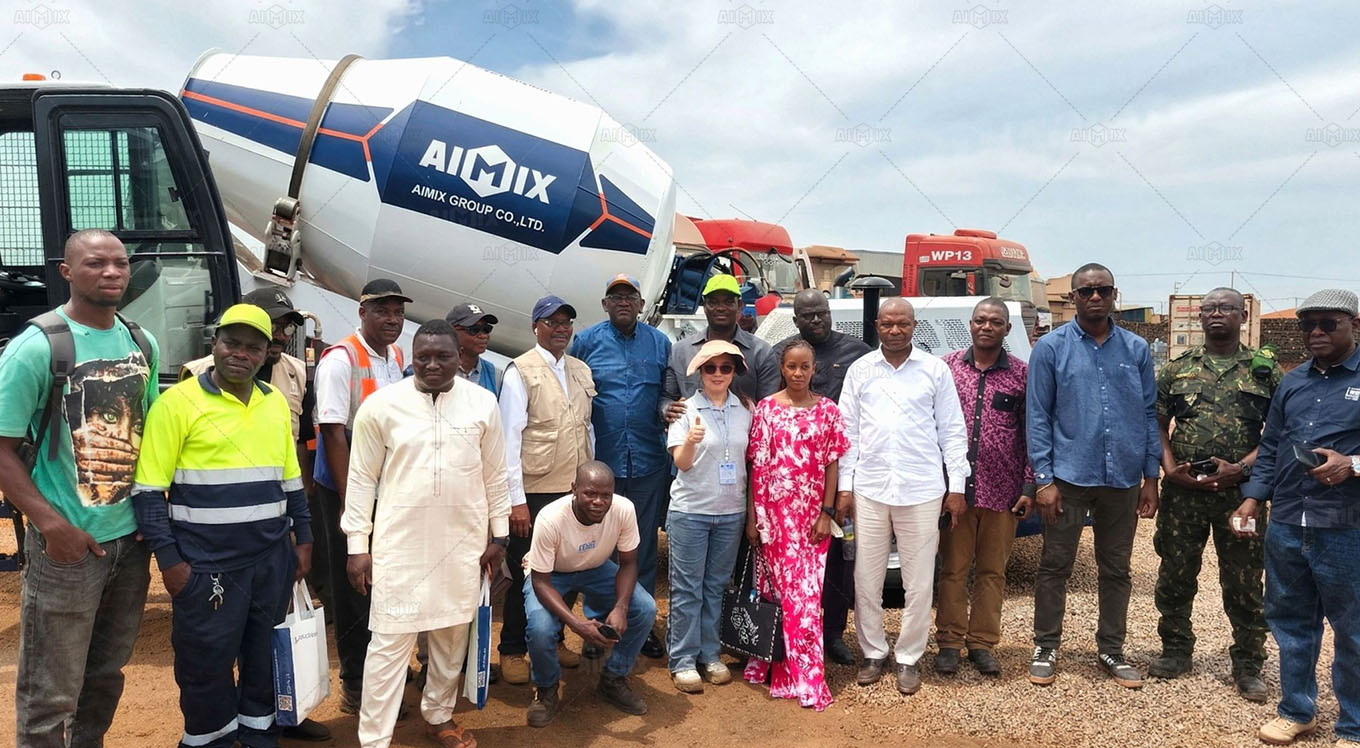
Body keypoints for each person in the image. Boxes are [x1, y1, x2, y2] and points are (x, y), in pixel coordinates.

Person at [0, 229, 159, 748]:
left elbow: (150, 436)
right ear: (67, 272)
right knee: (49, 691)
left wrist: (150, 519)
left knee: (104, 677)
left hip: (130, 544)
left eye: (120, 263)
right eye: (95, 263)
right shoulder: (36, 347)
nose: (111, 272)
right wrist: (53, 527)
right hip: (67, 550)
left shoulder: (142, 343)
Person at [132, 303, 312, 748]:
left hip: (270, 559)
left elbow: (290, 479)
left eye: (253, 347)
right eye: (232, 343)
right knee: (205, 663)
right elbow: (148, 491)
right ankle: (208, 741)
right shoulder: (177, 403)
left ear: (267, 354)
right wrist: (170, 562)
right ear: (214, 343)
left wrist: (304, 539)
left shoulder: (273, 403)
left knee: (263, 657)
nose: (240, 354)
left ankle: (258, 737)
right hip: (206, 565)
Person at [343, 320, 510, 748]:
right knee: (389, 644)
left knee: (452, 637)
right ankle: (374, 739)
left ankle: (438, 715)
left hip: (463, 544)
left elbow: (496, 474)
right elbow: (360, 480)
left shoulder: (482, 403)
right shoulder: (381, 406)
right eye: (423, 357)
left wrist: (500, 536)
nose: (432, 365)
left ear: (459, 357)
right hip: (400, 546)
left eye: (443, 357)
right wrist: (357, 546)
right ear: (412, 357)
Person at [181, 287, 329, 742]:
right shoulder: (197, 376)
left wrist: (300, 525)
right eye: (275, 323)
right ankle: (216, 732)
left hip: (274, 528)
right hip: (215, 543)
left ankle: (280, 717)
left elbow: (298, 446)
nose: (281, 333)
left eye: (285, 326)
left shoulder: (295, 373)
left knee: (270, 636)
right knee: (216, 646)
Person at [1230, 289, 1360, 747]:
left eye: (1328, 323)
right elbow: (1271, 448)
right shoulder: (1292, 382)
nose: (1316, 332)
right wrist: (1252, 499)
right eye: (1308, 324)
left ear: (1355, 325)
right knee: (1290, 622)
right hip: (1287, 521)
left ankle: (1354, 725)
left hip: (1346, 525)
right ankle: (1297, 711)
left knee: (1353, 629)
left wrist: (1352, 464)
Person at [1026, 263, 1160, 689]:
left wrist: (1151, 477)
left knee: (1116, 569)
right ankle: (1046, 646)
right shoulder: (1051, 348)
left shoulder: (1136, 349)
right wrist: (1044, 480)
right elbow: (1037, 415)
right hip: (1068, 478)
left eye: (1103, 289)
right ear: (1073, 298)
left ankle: (1111, 649)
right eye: (1086, 291)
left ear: (1114, 294)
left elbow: (1149, 414)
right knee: (1055, 565)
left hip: (1122, 479)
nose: (1095, 297)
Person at [1151, 287, 1277, 703]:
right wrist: (1169, 468)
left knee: (1244, 580)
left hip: (1240, 495)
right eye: (1209, 309)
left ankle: (1248, 664)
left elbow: (1279, 433)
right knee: (1175, 573)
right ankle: (1175, 650)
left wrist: (1241, 469)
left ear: (1243, 316)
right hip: (1183, 494)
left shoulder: (1264, 372)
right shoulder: (1177, 369)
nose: (1216, 314)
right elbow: (1157, 423)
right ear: (1200, 317)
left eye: (1226, 308)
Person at [838, 298, 969, 696]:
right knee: (866, 579)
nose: (895, 330)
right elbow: (848, 434)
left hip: (922, 489)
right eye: (887, 324)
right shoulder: (861, 370)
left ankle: (909, 657)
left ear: (914, 326)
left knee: (919, 582)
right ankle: (873, 652)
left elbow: (952, 430)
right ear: (877, 325)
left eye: (903, 324)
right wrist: (845, 487)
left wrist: (957, 487)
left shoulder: (935, 370)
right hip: (870, 489)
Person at [313, 278, 411, 712]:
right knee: (354, 584)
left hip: (387, 484)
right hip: (348, 482)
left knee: (386, 580)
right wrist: (351, 503)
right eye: (382, 311)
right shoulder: (341, 359)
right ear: (362, 312)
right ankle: (355, 682)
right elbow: (333, 432)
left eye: (398, 312)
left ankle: (382, 670)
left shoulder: (396, 356)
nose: (392, 319)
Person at [742, 340, 850, 710]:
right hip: (774, 519)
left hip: (811, 521)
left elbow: (832, 464)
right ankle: (779, 666)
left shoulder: (828, 411)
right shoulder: (767, 410)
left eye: (805, 366)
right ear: (782, 368)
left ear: (814, 368)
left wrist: (826, 512)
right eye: (792, 366)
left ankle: (808, 675)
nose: (798, 373)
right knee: (776, 594)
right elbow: (757, 466)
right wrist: (754, 519)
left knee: (806, 597)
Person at [570, 274, 672, 659]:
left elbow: (667, 394)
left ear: (642, 304)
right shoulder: (586, 342)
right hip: (602, 466)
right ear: (605, 304)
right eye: (615, 297)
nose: (623, 302)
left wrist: (666, 407)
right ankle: (599, 625)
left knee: (640, 548)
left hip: (648, 462)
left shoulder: (660, 343)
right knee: (598, 549)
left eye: (630, 296)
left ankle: (638, 625)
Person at [499, 295, 596, 684]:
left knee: (567, 568)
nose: (560, 329)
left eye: (566, 323)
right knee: (527, 570)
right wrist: (516, 501)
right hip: (535, 490)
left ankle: (553, 639)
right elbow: (509, 439)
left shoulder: (580, 369)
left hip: (574, 490)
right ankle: (512, 649)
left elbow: (587, 429)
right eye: (551, 322)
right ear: (535, 327)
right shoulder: (520, 372)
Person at [936, 297, 1035, 677]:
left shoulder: (1022, 375)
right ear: (971, 324)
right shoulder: (946, 368)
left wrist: (1029, 484)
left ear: (1007, 329)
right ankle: (949, 642)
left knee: (993, 572)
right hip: (955, 492)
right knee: (953, 569)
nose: (986, 327)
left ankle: (982, 643)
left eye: (995, 321)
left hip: (1003, 491)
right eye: (980, 320)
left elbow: (1032, 432)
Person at [773, 287, 870, 665]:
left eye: (822, 313)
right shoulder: (782, 353)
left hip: (841, 475)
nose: (816, 320)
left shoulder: (857, 353)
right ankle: (797, 633)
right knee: (796, 562)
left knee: (840, 561)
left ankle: (833, 634)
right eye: (807, 315)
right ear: (795, 319)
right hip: (794, 482)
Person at [522, 462, 657, 727]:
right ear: (574, 489)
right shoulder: (551, 518)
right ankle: (546, 689)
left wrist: (620, 607)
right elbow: (540, 582)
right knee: (540, 628)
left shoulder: (623, 509)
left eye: (606, 495)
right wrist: (577, 625)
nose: (598, 501)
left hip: (596, 567)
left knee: (645, 608)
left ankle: (613, 678)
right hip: (551, 574)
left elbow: (629, 563)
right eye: (590, 493)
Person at [665, 340, 752, 693]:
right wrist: (690, 440)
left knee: (715, 586)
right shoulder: (685, 410)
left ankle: (710, 654)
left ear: (734, 372)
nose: (718, 374)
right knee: (687, 588)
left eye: (725, 368)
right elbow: (681, 463)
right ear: (700, 372)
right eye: (710, 368)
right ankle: (683, 660)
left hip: (731, 512)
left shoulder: (745, 409)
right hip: (691, 511)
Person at [662, 274, 779, 423]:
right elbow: (667, 397)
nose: (721, 308)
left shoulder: (761, 352)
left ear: (740, 306)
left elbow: (768, 408)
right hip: (695, 434)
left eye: (728, 302)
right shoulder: (680, 352)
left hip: (744, 436)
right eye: (713, 302)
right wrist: (667, 408)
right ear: (704, 306)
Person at [446, 303, 503, 396]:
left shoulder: (496, 376)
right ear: (452, 332)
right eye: (474, 329)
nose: (483, 335)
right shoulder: (435, 367)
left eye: (486, 329)